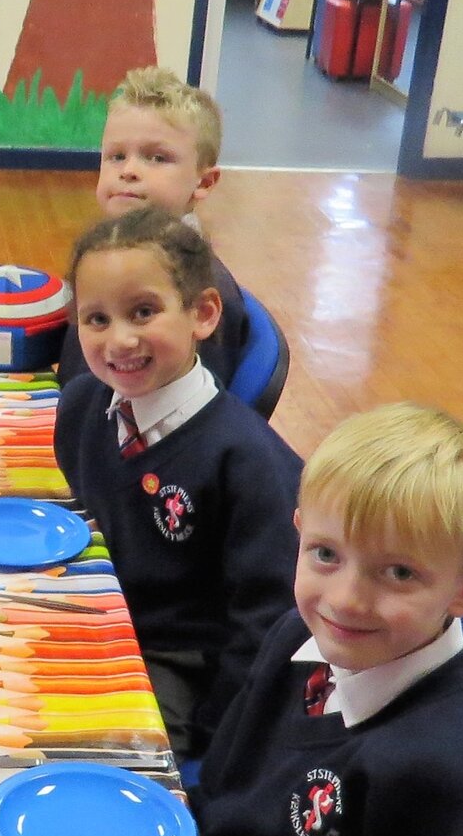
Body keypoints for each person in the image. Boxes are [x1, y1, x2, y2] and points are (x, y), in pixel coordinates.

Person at [193, 403, 463, 836]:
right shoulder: (298, 635)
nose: (345, 600)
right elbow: (220, 792)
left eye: (398, 572)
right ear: (298, 535)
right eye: (325, 554)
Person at [53, 207, 301, 759]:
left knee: (104, 763)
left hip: (180, 664)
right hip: (105, 618)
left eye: (143, 312)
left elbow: (264, 625)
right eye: (96, 319)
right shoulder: (80, 408)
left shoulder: (248, 462)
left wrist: (219, 746)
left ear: (204, 314)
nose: (118, 340)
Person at [57, 66, 249, 390]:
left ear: (203, 182)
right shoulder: (102, 256)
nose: (129, 170)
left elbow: (191, 415)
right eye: (116, 156)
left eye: (157, 158)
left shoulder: (201, 286)